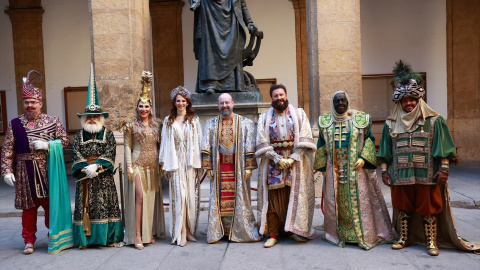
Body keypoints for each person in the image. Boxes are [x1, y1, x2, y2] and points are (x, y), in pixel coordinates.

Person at [377, 60, 480, 255]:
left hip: (428, 174)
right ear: (399, 102)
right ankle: (404, 237)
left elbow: (444, 147)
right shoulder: (389, 124)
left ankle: (431, 241)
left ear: (419, 99)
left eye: (412, 99)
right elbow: (385, 151)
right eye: (404, 100)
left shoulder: (434, 121)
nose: (409, 103)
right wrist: (384, 172)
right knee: (403, 208)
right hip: (400, 175)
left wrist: (444, 169)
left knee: (429, 208)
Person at [313, 91, 397, 250]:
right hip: (334, 170)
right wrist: (323, 168)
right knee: (336, 201)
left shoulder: (361, 119)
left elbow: (369, 140)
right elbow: (321, 146)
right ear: (332, 103)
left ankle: (361, 234)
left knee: (359, 201)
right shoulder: (325, 121)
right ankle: (339, 234)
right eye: (337, 102)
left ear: (347, 101)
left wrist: (364, 158)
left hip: (356, 169)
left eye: (343, 101)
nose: (340, 104)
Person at [1, 70, 69, 255]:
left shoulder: (53, 121)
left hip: (47, 170)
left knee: (50, 206)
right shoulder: (15, 124)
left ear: (40, 103)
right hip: (24, 171)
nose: (29, 105)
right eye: (26, 102)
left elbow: (65, 141)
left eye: (33, 102)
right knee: (28, 208)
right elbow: (7, 148)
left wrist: (48, 145)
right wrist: (7, 170)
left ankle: (53, 237)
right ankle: (29, 240)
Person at [255, 84, 317, 248]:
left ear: (286, 95)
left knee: (294, 197)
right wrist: (276, 158)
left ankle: (293, 231)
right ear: (272, 98)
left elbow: (305, 137)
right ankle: (273, 234)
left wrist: (293, 158)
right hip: (272, 164)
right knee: (273, 201)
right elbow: (261, 140)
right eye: (275, 96)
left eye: (281, 95)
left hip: (296, 164)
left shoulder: (299, 114)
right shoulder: (264, 117)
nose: (279, 98)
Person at [71, 64, 124, 248]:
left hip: (103, 179)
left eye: (95, 116)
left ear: (101, 118)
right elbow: (75, 151)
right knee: (85, 208)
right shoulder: (78, 135)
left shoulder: (108, 133)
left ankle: (106, 239)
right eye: (88, 116)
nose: (92, 119)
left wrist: (98, 166)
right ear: (84, 118)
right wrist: (85, 167)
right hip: (85, 177)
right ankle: (86, 240)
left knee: (105, 208)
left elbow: (110, 151)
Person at [201, 93, 261, 243]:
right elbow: (206, 145)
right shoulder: (211, 123)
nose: (225, 106)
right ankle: (221, 231)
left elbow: (249, 145)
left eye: (227, 102)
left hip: (238, 167)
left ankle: (239, 230)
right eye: (222, 103)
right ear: (218, 105)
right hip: (219, 167)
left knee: (239, 199)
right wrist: (208, 167)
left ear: (233, 103)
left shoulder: (245, 123)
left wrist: (249, 167)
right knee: (220, 200)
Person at [124, 71, 166, 249]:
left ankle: (149, 232)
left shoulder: (158, 124)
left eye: (146, 106)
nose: (143, 109)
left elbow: (162, 145)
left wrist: (163, 163)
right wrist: (128, 166)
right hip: (137, 163)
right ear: (137, 108)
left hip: (153, 165)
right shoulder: (130, 125)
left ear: (151, 108)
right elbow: (127, 145)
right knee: (140, 197)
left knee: (151, 198)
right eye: (141, 106)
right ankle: (137, 235)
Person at [158, 86, 202, 247]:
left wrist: (200, 163)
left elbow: (199, 141)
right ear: (174, 102)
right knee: (179, 196)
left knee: (190, 197)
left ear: (187, 102)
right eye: (178, 101)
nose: (181, 103)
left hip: (190, 163)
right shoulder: (168, 121)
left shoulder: (194, 120)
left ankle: (189, 230)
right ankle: (181, 231)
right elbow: (164, 143)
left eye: (183, 101)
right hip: (175, 163)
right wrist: (164, 163)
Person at [190, 0, 258, 94]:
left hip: (231, 23)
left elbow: (242, 4)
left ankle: (232, 84)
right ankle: (211, 83)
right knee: (210, 50)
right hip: (209, 15)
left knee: (231, 52)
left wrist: (249, 22)